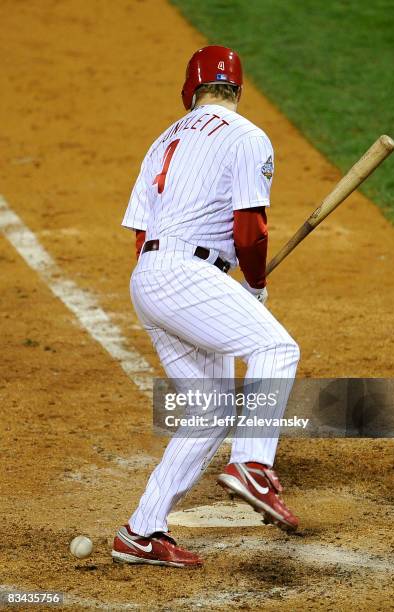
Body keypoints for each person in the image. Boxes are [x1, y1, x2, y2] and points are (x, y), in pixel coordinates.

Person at [112, 46, 300, 568]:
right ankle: (252, 465)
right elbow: (250, 226)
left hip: (150, 278)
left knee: (211, 409)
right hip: (186, 276)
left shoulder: (163, 140)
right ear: (237, 90)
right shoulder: (246, 135)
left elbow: (143, 232)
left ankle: (141, 530)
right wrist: (255, 283)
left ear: (190, 90)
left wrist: (200, 285)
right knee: (276, 347)